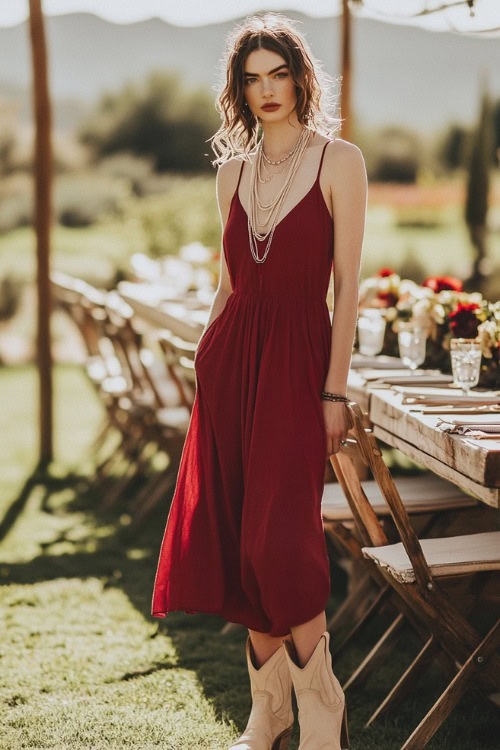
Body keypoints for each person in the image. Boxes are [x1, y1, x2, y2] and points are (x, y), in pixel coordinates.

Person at [151, 12, 367, 750]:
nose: (267, 89)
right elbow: (226, 285)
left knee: (284, 542)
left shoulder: (341, 161)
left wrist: (334, 391)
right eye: (252, 78)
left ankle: (324, 712)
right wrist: (206, 362)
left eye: (279, 74)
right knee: (243, 539)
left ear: (302, 78)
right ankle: (269, 712)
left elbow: (346, 287)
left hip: (300, 366)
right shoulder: (231, 174)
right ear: (237, 91)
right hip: (231, 368)